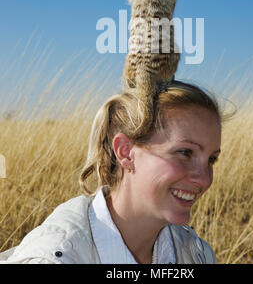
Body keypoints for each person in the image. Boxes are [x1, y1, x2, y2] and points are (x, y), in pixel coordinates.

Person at [0, 80, 222, 264]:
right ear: (126, 152)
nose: (204, 179)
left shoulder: (196, 254)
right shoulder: (56, 258)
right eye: (184, 152)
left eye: (211, 159)